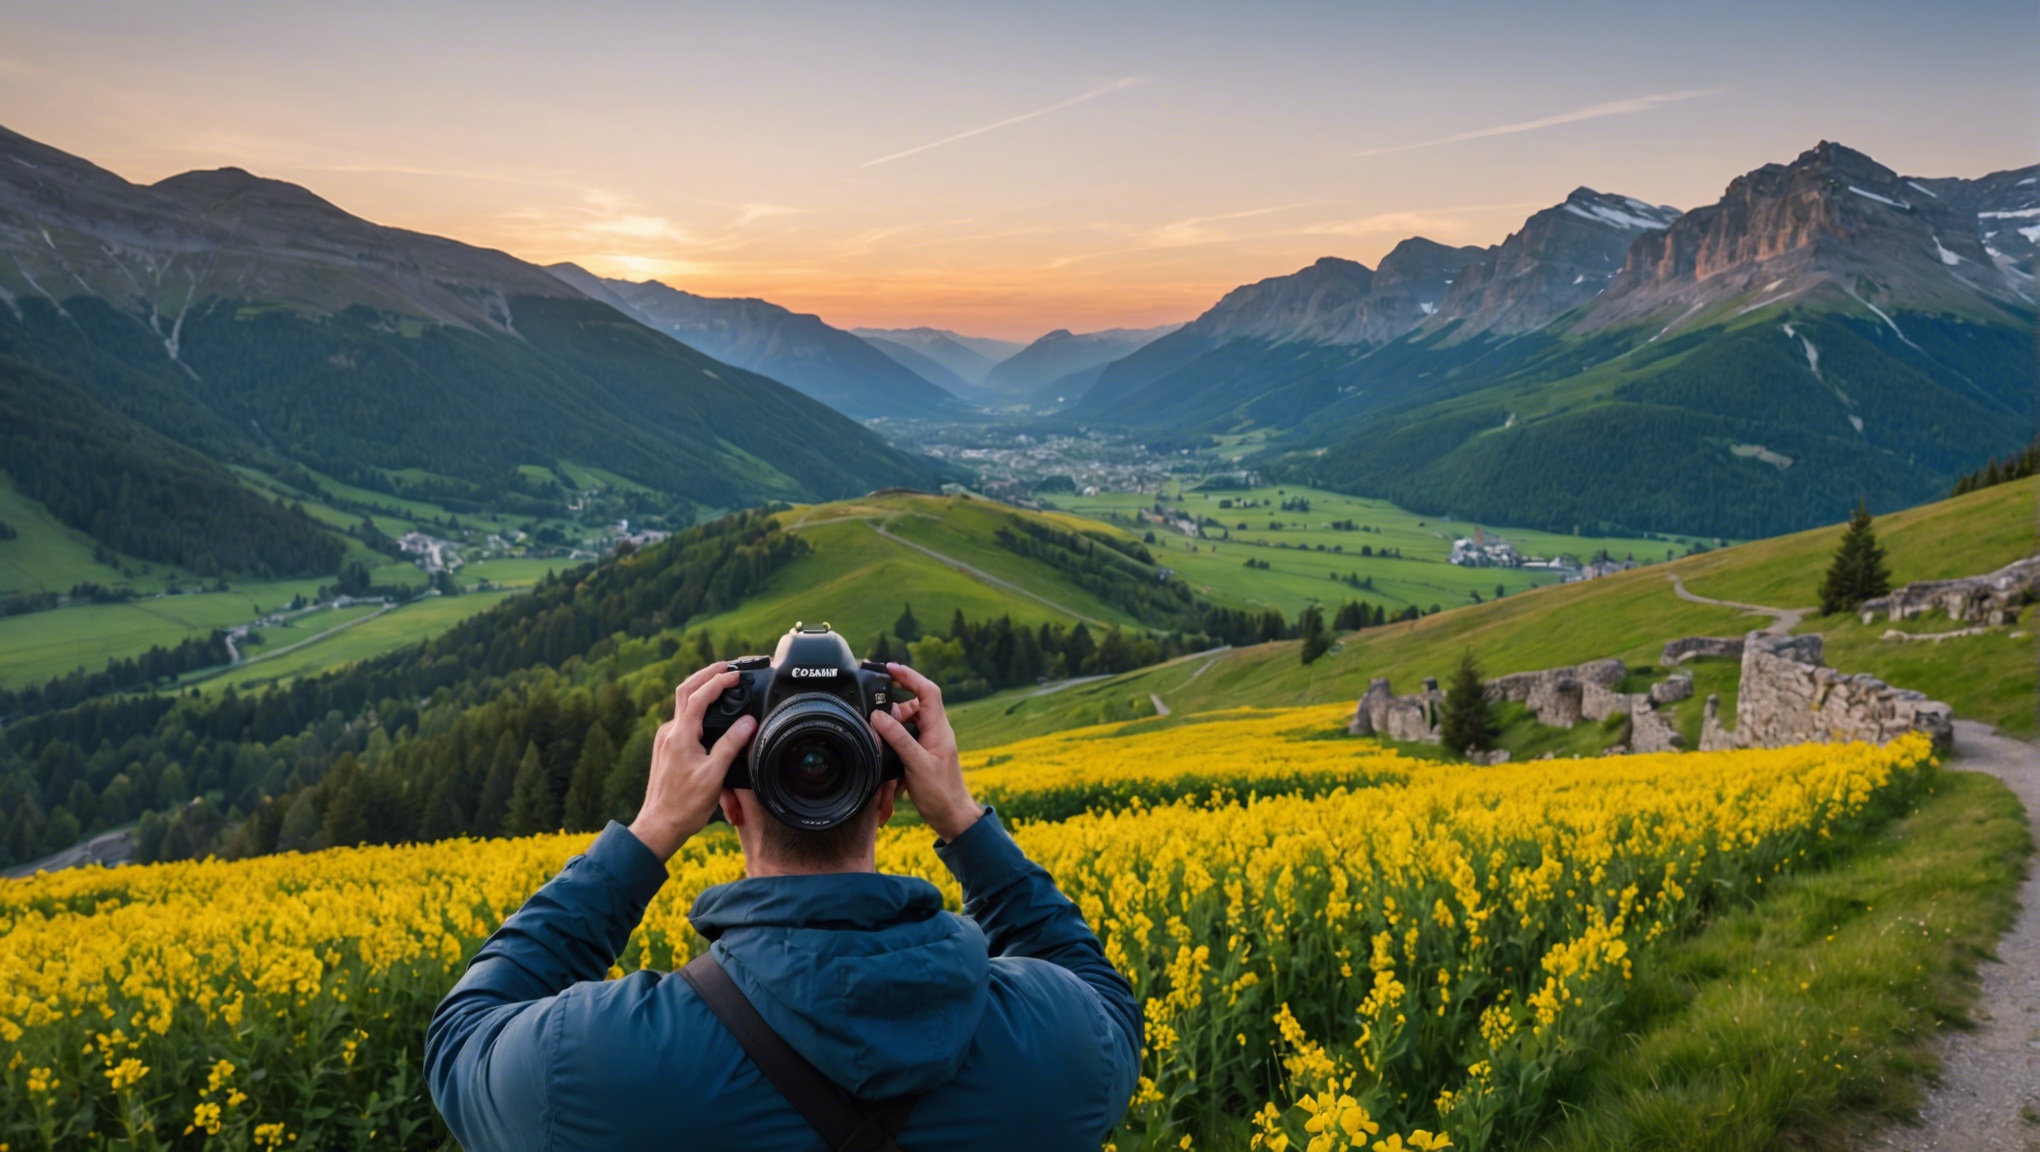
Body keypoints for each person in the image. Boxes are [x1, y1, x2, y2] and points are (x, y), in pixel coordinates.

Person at [425, 660, 1141, 1151]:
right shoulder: (1057, 1041)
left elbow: (462, 1041)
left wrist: (649, 834)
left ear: (726, 801)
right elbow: (1107, 1002)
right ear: (893, 796)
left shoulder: (596, 1059)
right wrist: (962, 817)